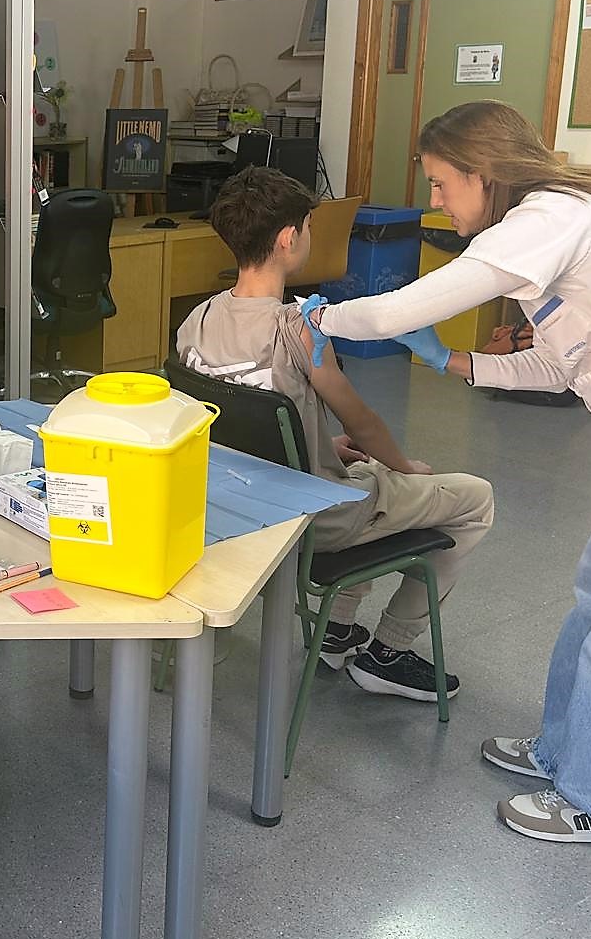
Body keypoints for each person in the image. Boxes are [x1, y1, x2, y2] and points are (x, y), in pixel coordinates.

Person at [304, 100, 591, 846]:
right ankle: (565, 752)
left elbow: (398, 310)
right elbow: (560, 366)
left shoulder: (555, 216)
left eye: (441, 183)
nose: (436, 201)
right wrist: (453, 361)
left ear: (483, 174)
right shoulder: (554, 232)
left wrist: (318, 320)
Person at [176, 167, 494, 701]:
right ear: (288, 238)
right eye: (307, 227)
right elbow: (361, 422)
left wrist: (319, 448)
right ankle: (390, 651)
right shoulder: (299, 329)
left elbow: (243, 415)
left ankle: (337, 631)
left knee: (358, 468)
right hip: (312, 519)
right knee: (473, 499)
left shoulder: (197, 320)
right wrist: (404, 468)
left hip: (235, 507)